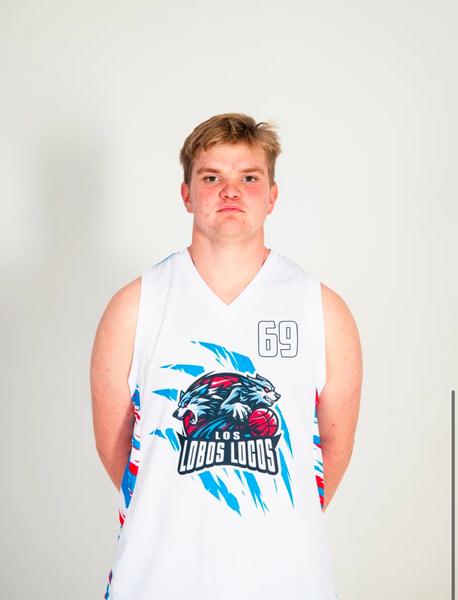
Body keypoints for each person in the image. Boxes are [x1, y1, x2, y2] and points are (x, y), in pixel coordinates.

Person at [90, 113, 362, 600]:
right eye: (212, 177)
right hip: (154, 582)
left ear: (272, 195)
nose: (231, 191)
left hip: (287, 582)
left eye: (249, 178)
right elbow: (118, 451)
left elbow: (330, 455)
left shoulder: (321, 309)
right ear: (187, 194)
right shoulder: (136, 305)